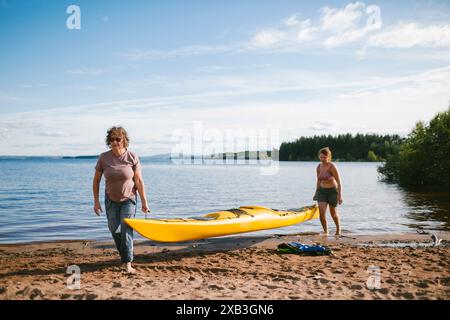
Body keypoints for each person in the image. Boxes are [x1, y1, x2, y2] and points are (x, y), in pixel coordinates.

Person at [93, 126, 150, 273]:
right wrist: (96, 201)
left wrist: (144, 202)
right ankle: (125, 255)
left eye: (118, 139)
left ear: (124, 139)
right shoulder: (103, 158)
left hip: (129, 199)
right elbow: (96, 181)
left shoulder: (132, 157)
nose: (115, 142)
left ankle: (127, 263)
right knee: (114, 230)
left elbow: (138, 180)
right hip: (111, 200)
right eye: (112, 139)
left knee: (126, 230)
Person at [313, 147, 343, 236]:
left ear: (328, 157)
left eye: (324, 157)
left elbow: (339, 182)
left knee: (333, 214)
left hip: (332, 192)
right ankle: (326, 232)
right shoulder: (318, 167)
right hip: (322, 191)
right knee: (321, 213)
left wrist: (340, 196)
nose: (322, 159)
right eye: (321, 157)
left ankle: (338, 229)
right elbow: (318, 180)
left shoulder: (332, 166)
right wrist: (316, 193)